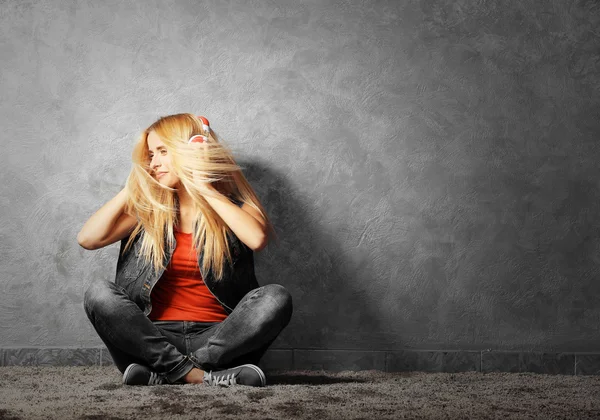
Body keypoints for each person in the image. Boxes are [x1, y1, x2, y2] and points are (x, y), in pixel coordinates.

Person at [77, 113, 293, 387]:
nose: (153, 163)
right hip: (151, 339)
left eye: (162, 152)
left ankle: (170, 373)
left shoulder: (236, 206)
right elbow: (88, 238)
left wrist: (203, 185)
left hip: (220, 339)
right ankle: (200, 376)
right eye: (150, 155)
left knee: (276, 297)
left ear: (192, 149)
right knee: (98, 293)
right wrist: (136, 184)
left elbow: (256, 239)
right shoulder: (149, 211)